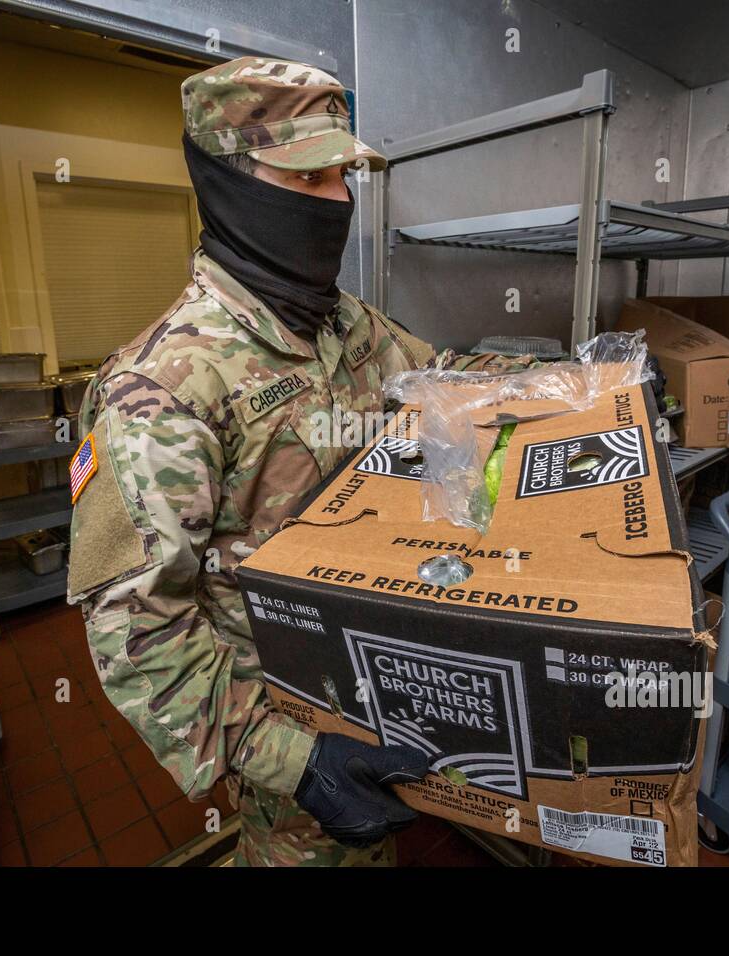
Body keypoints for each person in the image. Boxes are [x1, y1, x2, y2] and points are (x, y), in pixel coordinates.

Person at [66, 56, 530, 867]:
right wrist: (295, 762)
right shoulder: (160, 388)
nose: (340, 201)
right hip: (278, 719)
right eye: (311, 176)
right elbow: (136, 627)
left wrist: (590, 387)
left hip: (370, 676)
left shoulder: (345, 326)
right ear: (230, 180)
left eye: (344, 174)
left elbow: (443, 381)